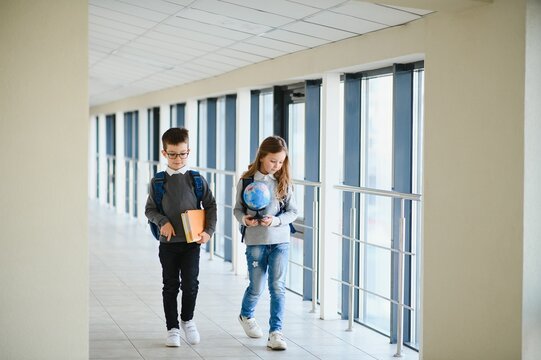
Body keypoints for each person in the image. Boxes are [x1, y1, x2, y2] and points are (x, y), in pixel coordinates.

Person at [145, 127, 217, 347]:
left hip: (191, 243)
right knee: (170, 285)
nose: (178, 158)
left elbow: (211, 205)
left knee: (191, 284)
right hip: (168, 245)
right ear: (164, 153)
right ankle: (172, 328)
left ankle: (187, 319)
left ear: (189, 151)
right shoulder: (158, 182)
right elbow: (150, 210)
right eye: (173, 154)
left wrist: (209, 231)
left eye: (182, 153)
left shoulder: (196, 180)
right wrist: (162, 221)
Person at [233, 136, 298, 351]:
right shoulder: (246, 181)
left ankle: (275, 333)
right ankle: (246, 315)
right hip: (256, 241)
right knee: (256, 287)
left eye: (281, 162)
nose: (277, 166)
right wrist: (245, 220)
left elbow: (293, 212)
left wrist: (277, 221)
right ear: (261, 157)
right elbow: (237, 209)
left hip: (280, 241)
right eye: (273, 161)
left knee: (278, 288)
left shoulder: (283, 182)